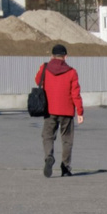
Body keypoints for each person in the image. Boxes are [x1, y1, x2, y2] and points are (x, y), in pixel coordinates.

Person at [35, 43, 84, 177]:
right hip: (67, 111)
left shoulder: (45, 68)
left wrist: (42, 69)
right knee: (67, 139)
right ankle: (65, 168)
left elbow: (37, 80)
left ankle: (49, 157)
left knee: (47, 136)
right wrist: (80, 112)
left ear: (52, 56)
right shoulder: (72, 72)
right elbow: (75, 93)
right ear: (65, 56)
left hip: (49, 110)